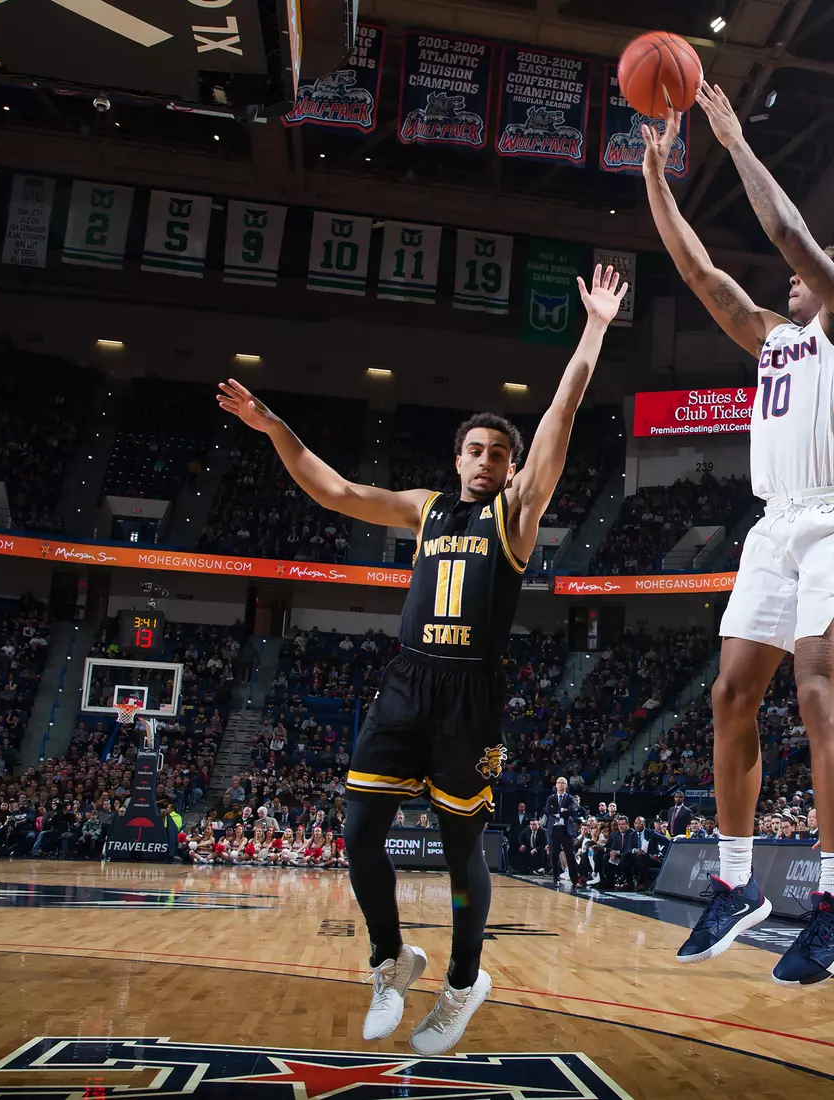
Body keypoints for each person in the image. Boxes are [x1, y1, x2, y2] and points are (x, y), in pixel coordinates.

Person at [215, 265, 628, 1055]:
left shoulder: (517, 512)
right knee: (359, 829)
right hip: (407, 680)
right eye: (473, 450)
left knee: (460, 850)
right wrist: (273, 426)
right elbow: (333, 489)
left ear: (510, 467)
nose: (484, 460)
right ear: (456, 458)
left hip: (471, 692)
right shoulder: (424, 509)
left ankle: (466, 981)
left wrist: (596, 328)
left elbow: (565, 408)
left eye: (496, 453)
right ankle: (390, 958)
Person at [643, 83, 834, 985]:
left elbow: (791, 235)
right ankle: (735, 882)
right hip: (772, 526)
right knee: (729, 696)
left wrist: (730, 138)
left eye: (804, 277)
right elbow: (699, 276)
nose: (786, 280)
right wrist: (659, 182)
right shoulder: (771, 340)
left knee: (814, 693)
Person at [545, 777, 583, 887]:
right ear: (556, 785)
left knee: (570, 855)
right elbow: (548, 810)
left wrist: (558, 812)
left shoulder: (570, 798)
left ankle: (575, 880)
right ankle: (555, 879)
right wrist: (562, 810)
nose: (560, 785)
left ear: (566, 786)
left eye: (563, 783)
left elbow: (571, 810)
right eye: (559, 783)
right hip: (554, 829)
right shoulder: (551, 798)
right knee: (554, 855)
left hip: (566, 830)